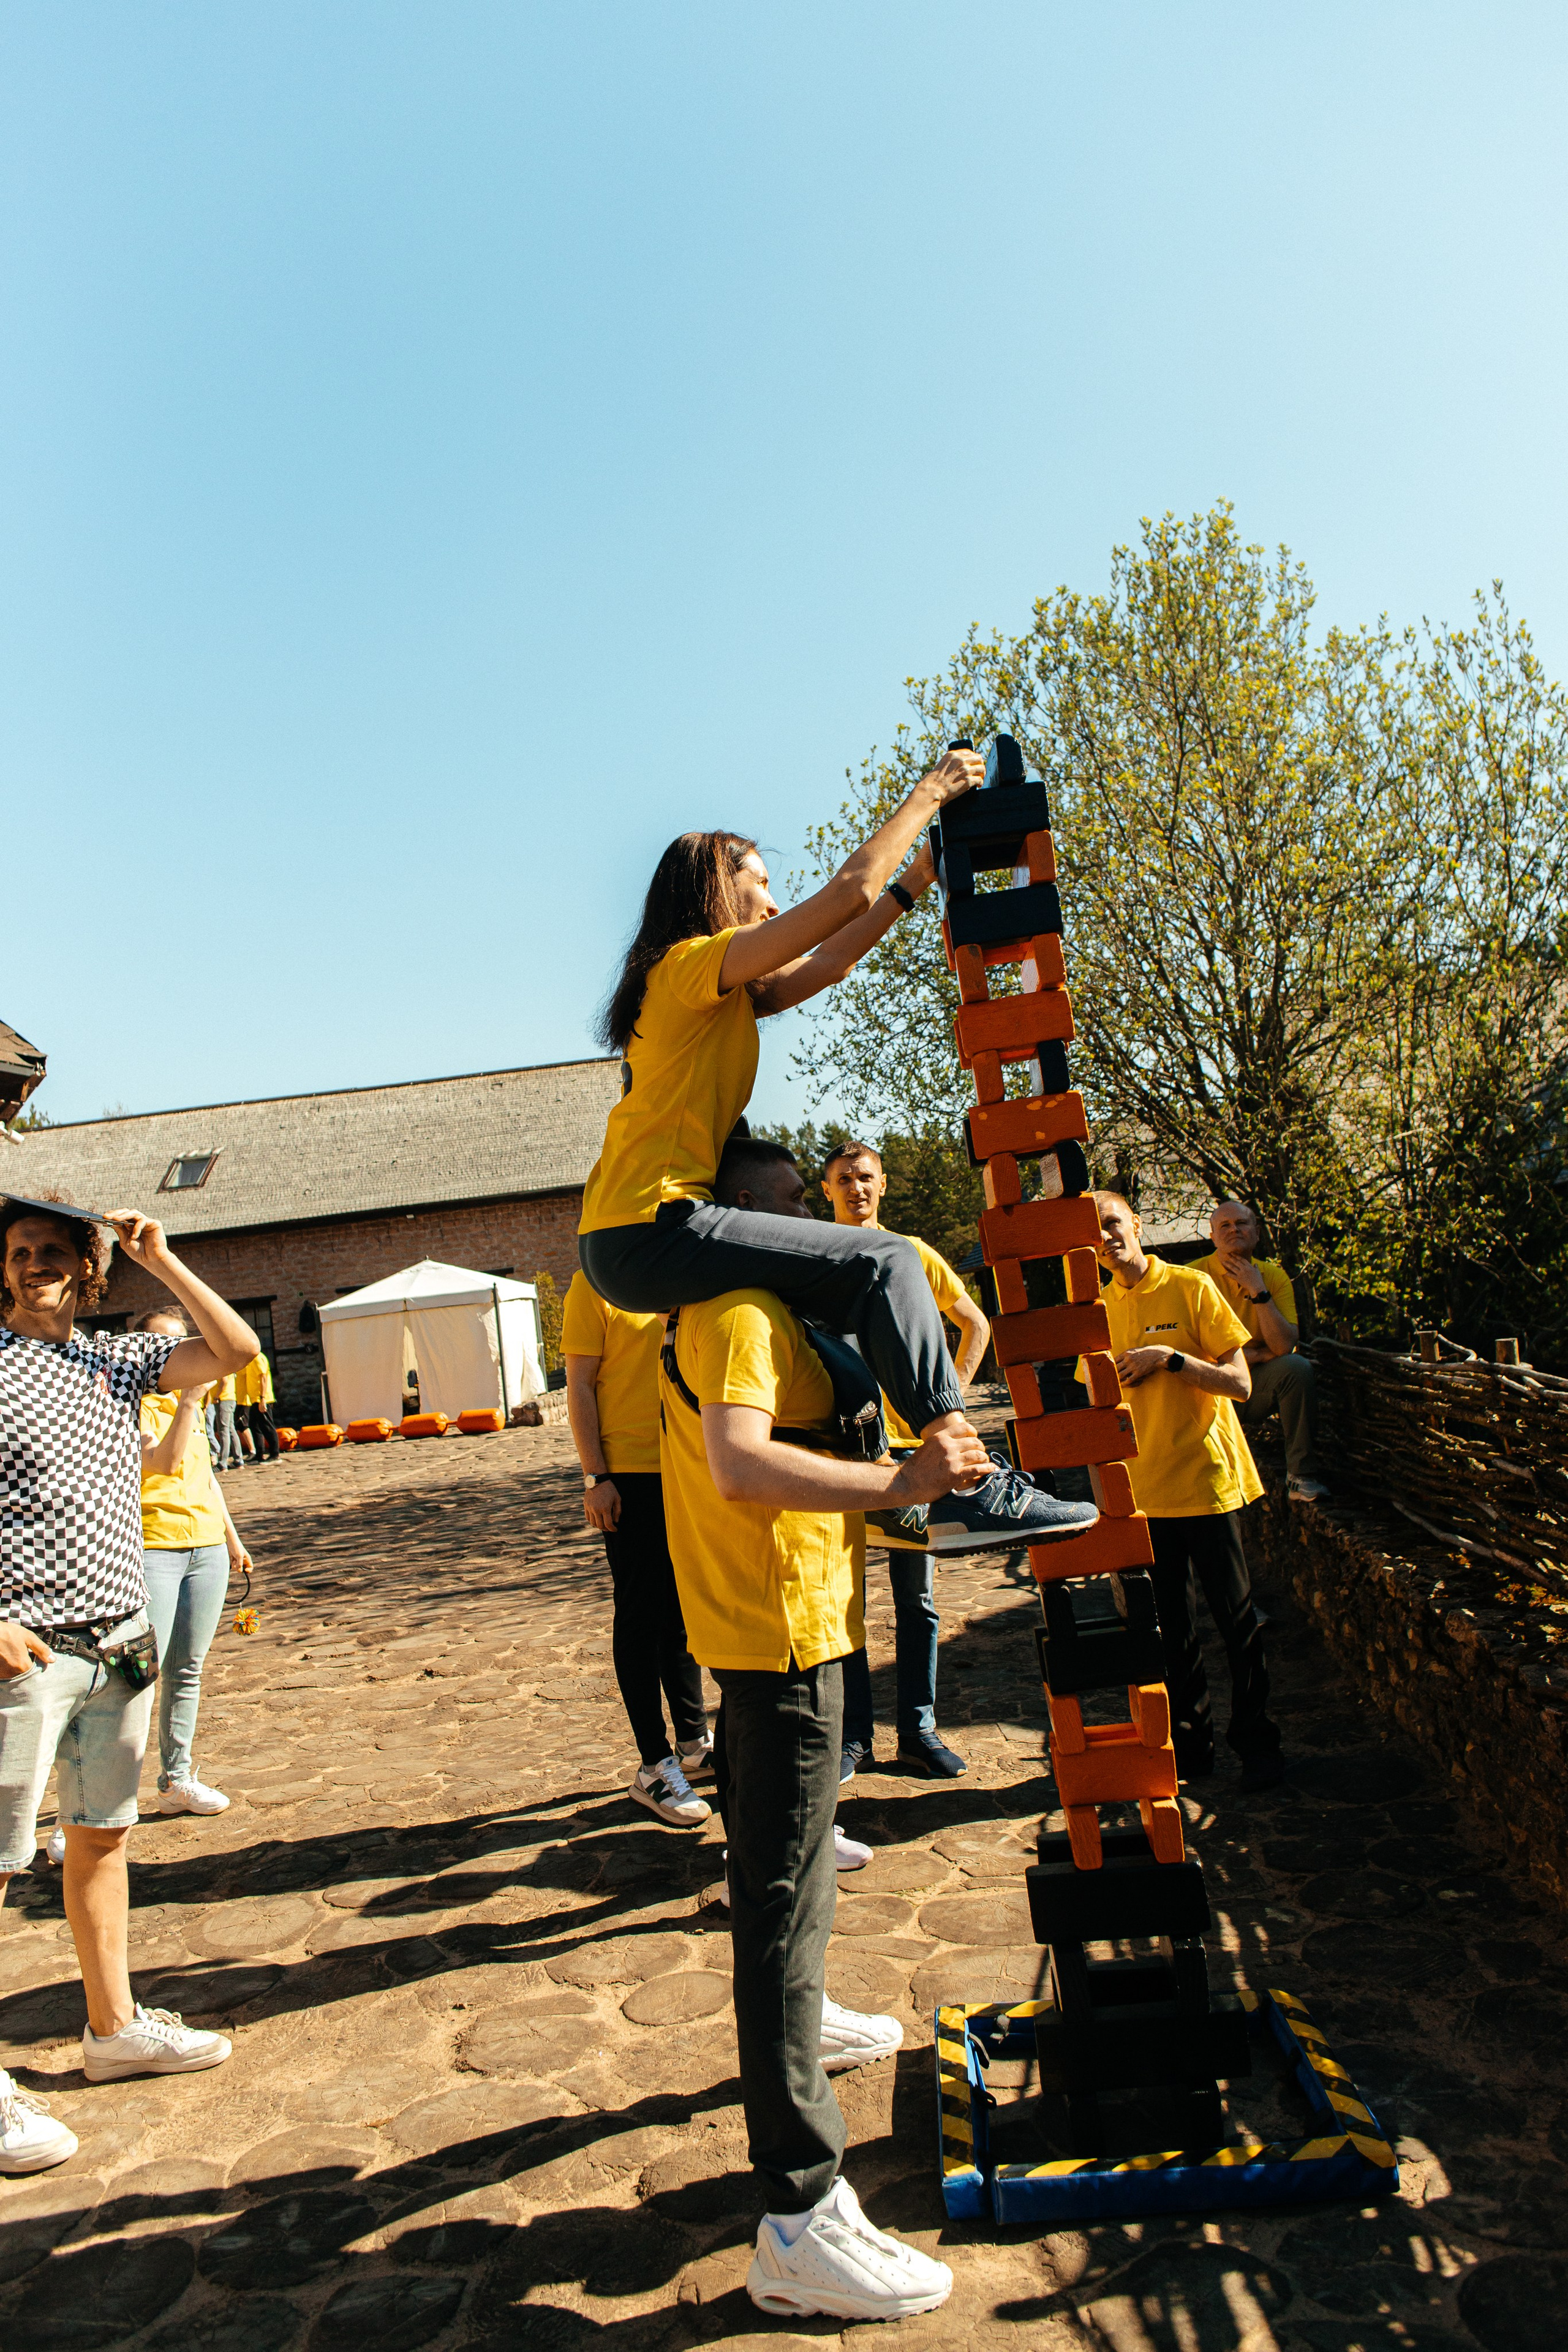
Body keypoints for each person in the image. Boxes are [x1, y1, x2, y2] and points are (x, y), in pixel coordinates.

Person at [575, 753, 1099, 1559]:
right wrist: (930, 793)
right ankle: (969, 1483)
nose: (775, 902)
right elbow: (841, 898)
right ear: (716, 889)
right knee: (887, 1264)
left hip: (635, 1236)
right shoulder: (685, 970)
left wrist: (916, 881)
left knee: (836, 1329)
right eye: (759, 882)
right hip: (651, 1225)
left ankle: (893, 1490)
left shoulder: (723, 995)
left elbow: (834, 956)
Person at [657, 1240, 992, 2318]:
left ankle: (807, 2030)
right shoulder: (744, 1310)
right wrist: (904, 1481)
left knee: (777, 1891)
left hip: (774, 1630)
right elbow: (742, 1465)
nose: (814, 1222)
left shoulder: (725, 1310)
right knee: (781, 1908)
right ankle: (800, 2214)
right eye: (791, 1202)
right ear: (739, 1215)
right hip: (783, 1638)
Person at [1, 1193, 255, 2175]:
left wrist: (165, 1257)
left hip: (121, 1644)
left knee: (102, 1842)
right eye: (20, 1253)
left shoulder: (115, 1363)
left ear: (88, 1270)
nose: (35, 1265)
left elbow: (231, 1351)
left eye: (54, 1252)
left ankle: (111, 2030)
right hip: (26, 1657)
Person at [1090, 1192, 1283, 1793]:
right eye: (1095, 1232)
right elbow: (1098, 1410)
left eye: (1113, 1223)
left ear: (1137, 1225)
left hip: (1207, 1481)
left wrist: (1171, 1359)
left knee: (1236, 1622)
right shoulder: (1094, 1311)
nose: (1106, 1237)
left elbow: (1241, 1383)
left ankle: (1257, 1745)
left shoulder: (1191, 1288)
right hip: (1144, 1493)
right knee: (1171, 1633)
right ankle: (1192, 1746)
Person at [820, 1138, 988, 1783]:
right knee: (845, 1602)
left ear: (882, 1184)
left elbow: (974, 1323)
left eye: (865, 1178)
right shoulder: (817, 1257)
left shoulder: (912, 1254)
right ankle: (855, 1741)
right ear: (828, 1188)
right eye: (843, 1180)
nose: (856, 1188)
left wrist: (950, 1406)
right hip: (849, 1458)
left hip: (914, 1455)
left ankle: (918, 1732)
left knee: (915, 1601)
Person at [562, 1268, 713, 1827]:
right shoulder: (595, 1285)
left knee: (683, 1612)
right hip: (628, 1473)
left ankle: (695, 1742)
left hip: (690, 1465)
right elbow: (579, 1384)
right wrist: (594, 1476)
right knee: (641, 1617)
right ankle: (655, 1762)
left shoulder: (682, 1278)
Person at [134, 1308, 253, 1817]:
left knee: (187, 1670)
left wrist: (232, 1538)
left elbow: (205, 1475)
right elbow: (165, 1462)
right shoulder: (129, 1406)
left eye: (182, 1343)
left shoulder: (195, 1408)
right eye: (163, 1345)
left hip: (204, 1548)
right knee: (136, 1676)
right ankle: (92, 1802)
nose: (177, 1354)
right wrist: (187, 1402)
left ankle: (175, 1779)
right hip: (152, 1546)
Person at [1196, 1200, 1328, 1502]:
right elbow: (1193, 1354)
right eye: (1225, 1226)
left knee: (1296, 1368)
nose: (1234, 1230)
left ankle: (1300, 1476)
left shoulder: (1274, 1278)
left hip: (1251, 1392)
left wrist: (1258, 1290)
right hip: (1205, 1392)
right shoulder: (1192, 1278)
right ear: (1213, 1237)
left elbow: (1283, 1347)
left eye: (1242, 1224)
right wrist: (1255, 1356)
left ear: (1256, 1233)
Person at [237, 1348, 280, 1464]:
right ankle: (259, 1454)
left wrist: (263, 1399)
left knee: (267, 1426)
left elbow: (263, 1378)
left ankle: (275, 1454)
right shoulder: (250, 1360)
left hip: (261, 1399)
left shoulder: (258, 1358)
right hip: (253, 1399)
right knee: (255, 1426)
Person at [210, 1368, 243, 1471]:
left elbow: (224, 1381)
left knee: (223, 1430)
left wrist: (216, 1396)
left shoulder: (223, 1366)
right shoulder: (230, 1366)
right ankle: (239, 1460)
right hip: (231, 1398)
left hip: (223, 1399)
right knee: (231, 1429)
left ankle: (222, 1463)